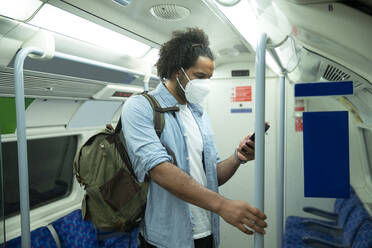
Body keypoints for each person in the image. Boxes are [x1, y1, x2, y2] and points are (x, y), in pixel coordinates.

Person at [121, 27, 267, 248]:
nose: (205, 84)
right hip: (166, 239)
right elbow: (159, 169)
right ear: (177, 72)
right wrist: (222, 205)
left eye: (209, 78)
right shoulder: (140, 107)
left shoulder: (199, 113)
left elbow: (211, 175)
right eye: (200, 76)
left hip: (205, 232)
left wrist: (238, 157)